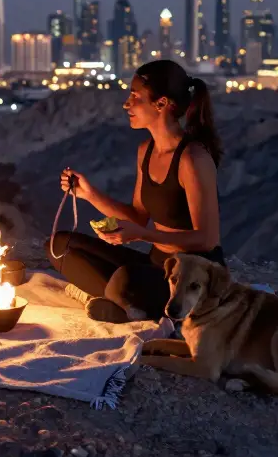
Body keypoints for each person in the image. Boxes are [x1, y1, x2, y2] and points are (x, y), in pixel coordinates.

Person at [46, 59, 225, 323]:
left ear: (161, 104)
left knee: (125, 279)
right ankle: (122, 303)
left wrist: (142, 235)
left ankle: (122, 300)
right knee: (59, 246)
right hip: (157, 264)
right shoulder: (146, 151)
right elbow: (138, 216)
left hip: (192, 276)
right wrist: (89, 194)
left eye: (135, 96)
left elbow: (207, 240)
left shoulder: (192, 158)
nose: (126, 104)